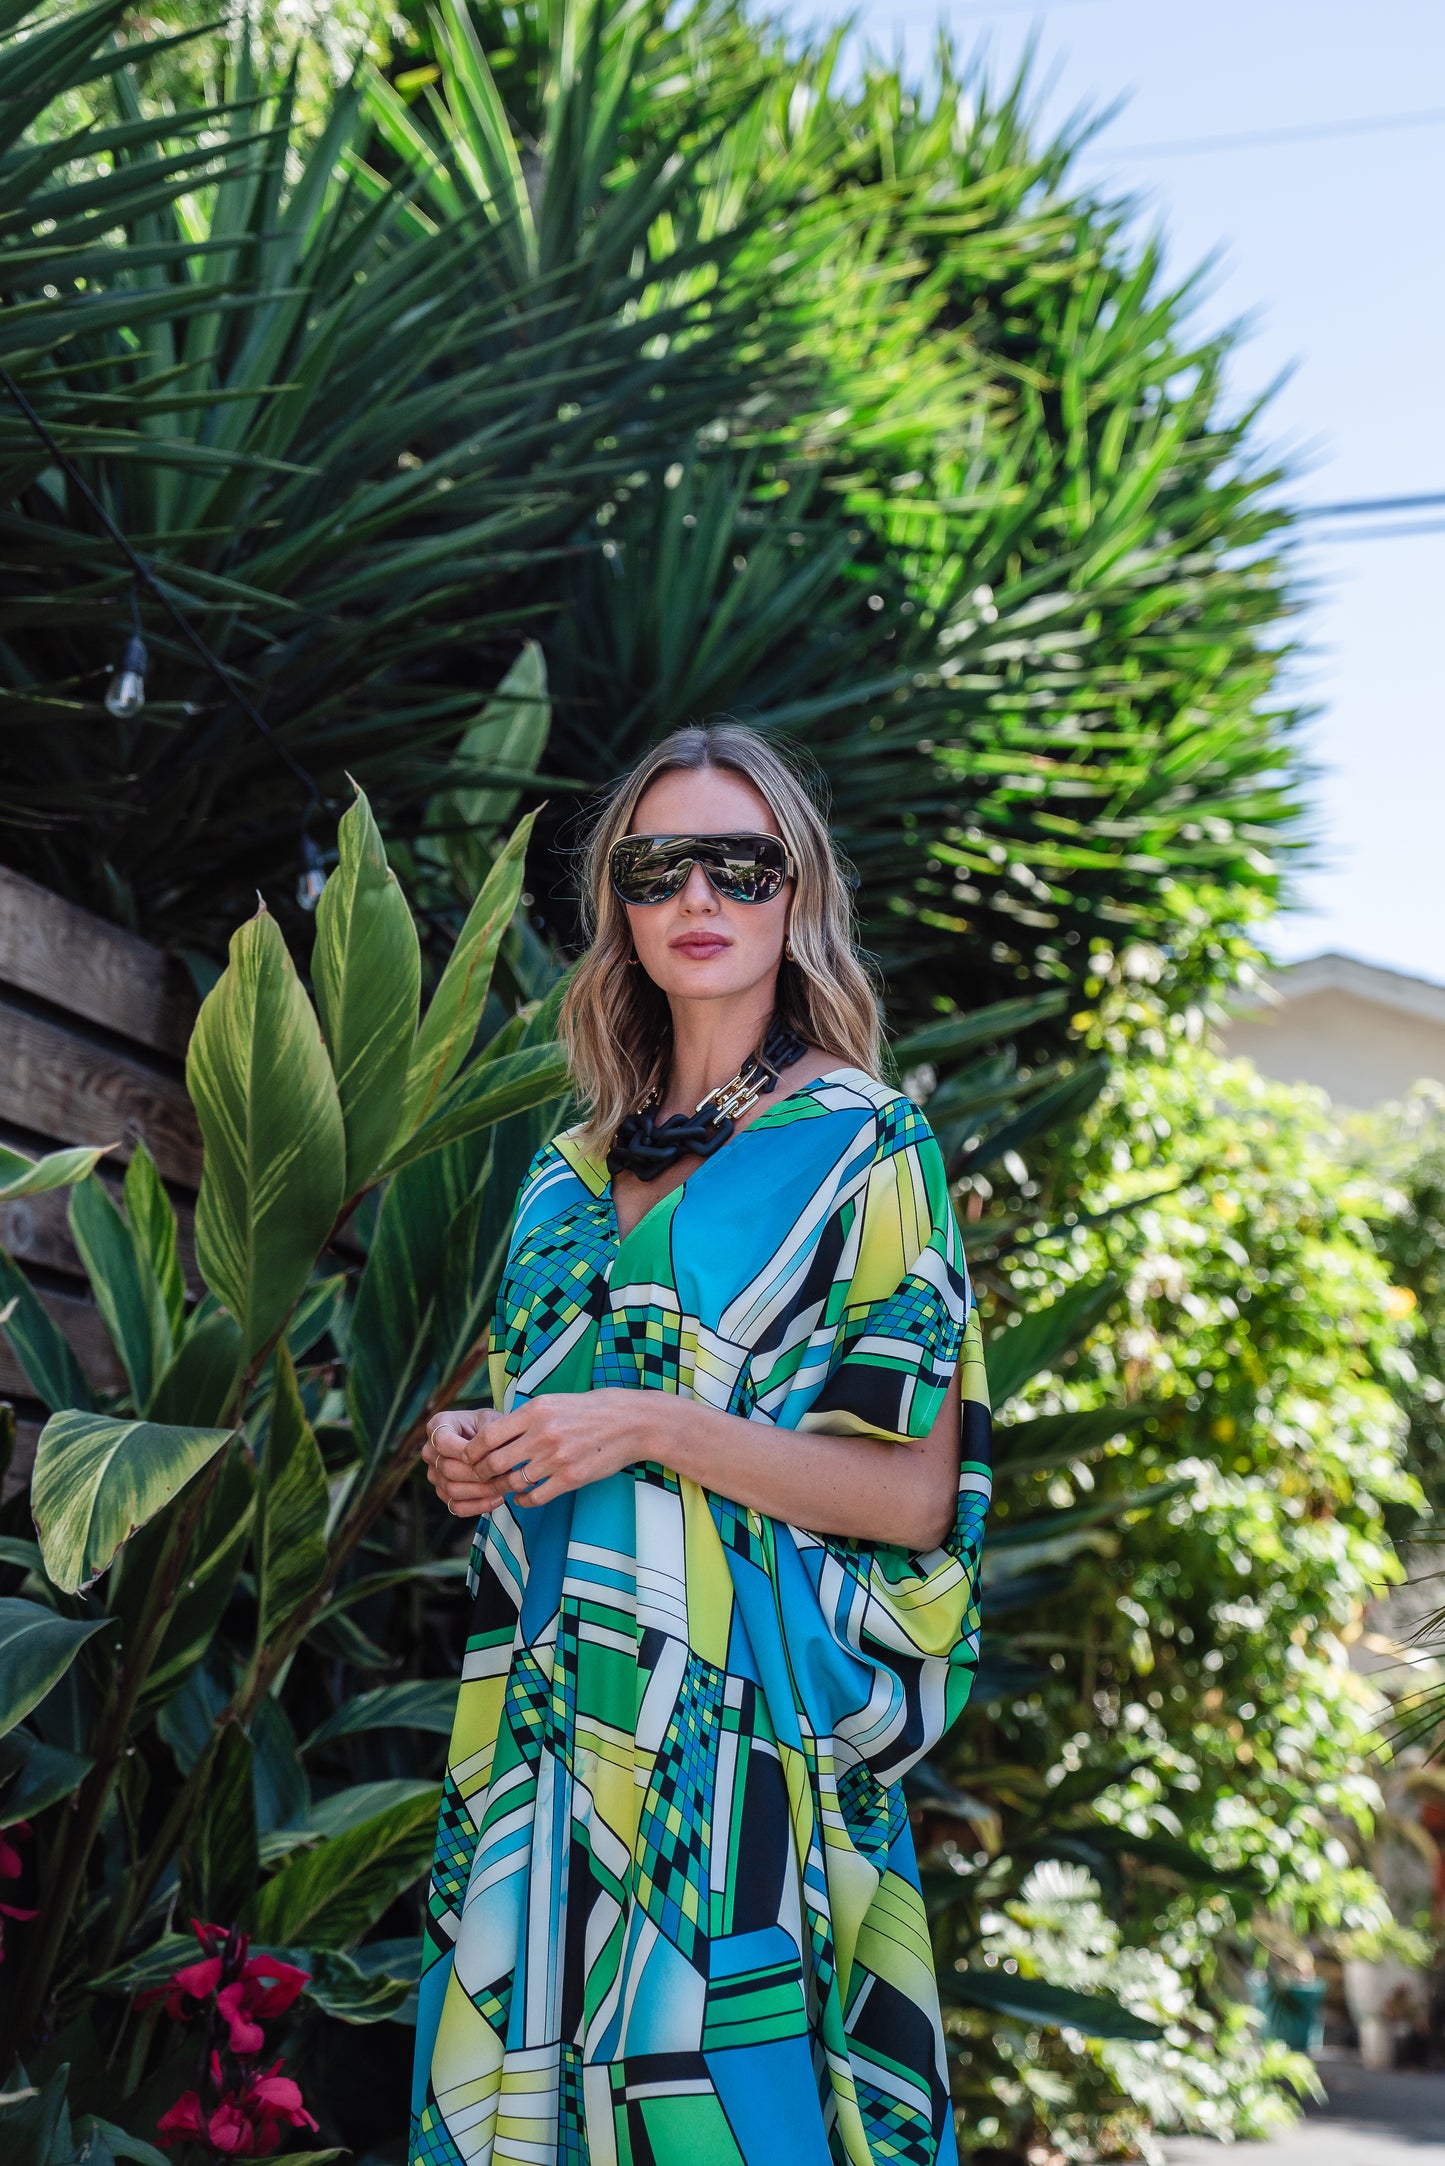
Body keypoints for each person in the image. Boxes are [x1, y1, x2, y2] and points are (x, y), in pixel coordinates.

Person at [412, 722, 992, 2166]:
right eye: (656, 863)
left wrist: (658, 1424)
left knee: (712, 2111)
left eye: (742, 862)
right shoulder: (558, 1178)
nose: (699, 895)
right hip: (543, 1734)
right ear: (616, 901)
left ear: (797, 896)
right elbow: (550, 1431)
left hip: (735, 1753)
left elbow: (914, 1496)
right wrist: (474, 1451)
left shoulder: (868, 1145)